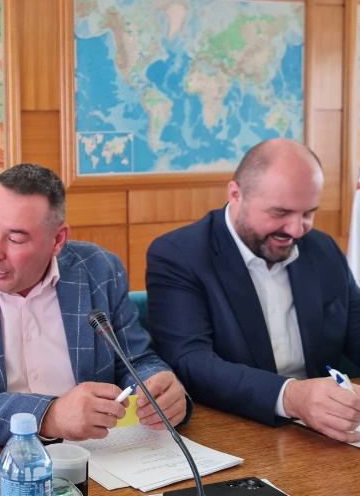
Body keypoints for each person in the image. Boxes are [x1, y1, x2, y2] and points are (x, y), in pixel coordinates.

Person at [0, 163, 189, 446]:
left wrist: (159, 389)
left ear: (57, 240)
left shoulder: (100, 269)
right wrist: (47, 416)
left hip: (100, 451)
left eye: (14, 239)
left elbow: (136, 360)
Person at [146, 138, 360, 443]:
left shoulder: (322, 248)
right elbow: (190, 362)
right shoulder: (179, 254)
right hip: (234, 432)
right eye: (280, 213)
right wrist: (291, 397)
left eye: (308, 213)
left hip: (323, 436)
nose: (296, 230)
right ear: (236, 194)